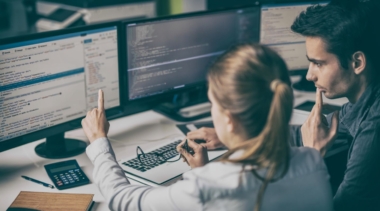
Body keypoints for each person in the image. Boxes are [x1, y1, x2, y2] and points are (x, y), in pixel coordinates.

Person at [81, 43, 333, 211]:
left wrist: (99, 141)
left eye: (213, 102)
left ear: (230, 119)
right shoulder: (312, 160)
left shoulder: (208, 186)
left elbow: (121, 200)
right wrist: (200, 172)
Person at [190, 1, 380, 211]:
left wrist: (312, 155)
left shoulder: (374, 129)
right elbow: (305, 133)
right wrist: (233, 135)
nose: (309, 75)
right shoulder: (364, 102)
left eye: (318, 63)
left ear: (357, 63)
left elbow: (340, 208)